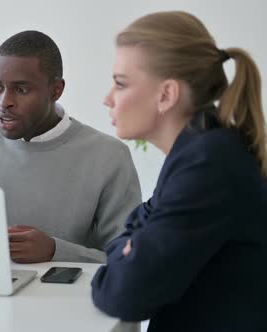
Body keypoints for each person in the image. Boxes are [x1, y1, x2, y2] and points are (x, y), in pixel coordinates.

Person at [91, 11, 267, 331]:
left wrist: (126, 256)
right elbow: (132, 229)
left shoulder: (209, 165)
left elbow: (126, 294)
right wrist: (128, 249)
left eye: (120, 83)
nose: (108, 99)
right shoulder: (200, 149)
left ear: (167, 95)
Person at [0, 30, 142, 264]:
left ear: (55, 90)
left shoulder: (109, 156)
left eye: (21, 89)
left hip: (63, 297)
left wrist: (55, 251)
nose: (4, 102)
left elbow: (129, 259)